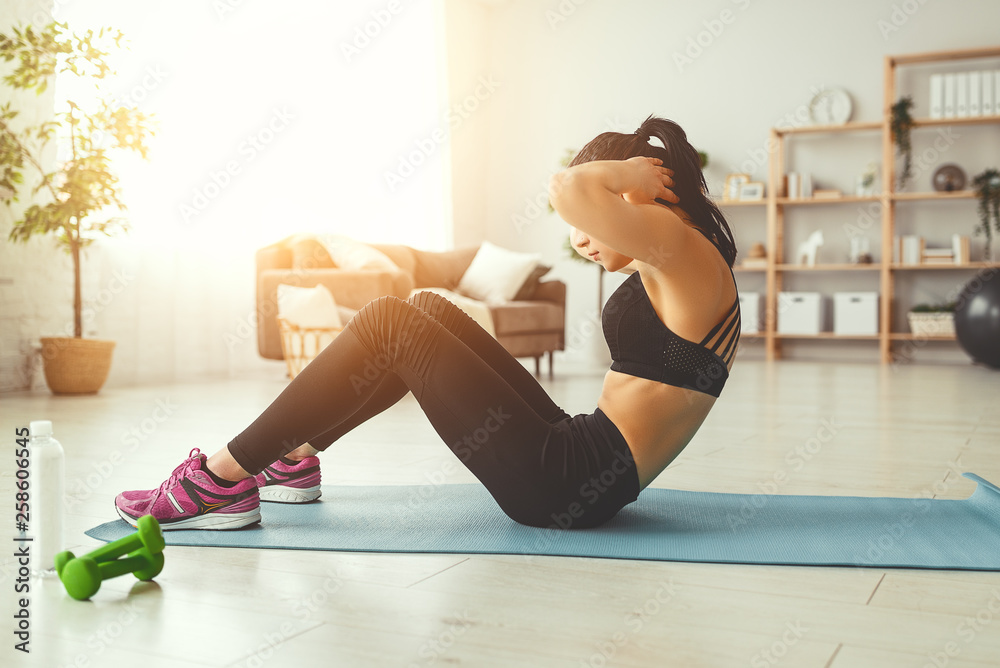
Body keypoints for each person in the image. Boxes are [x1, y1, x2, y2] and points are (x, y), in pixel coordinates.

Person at [115, 115, 740, 532]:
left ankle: (219, 478)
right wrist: (627, 183)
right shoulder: (684, 253)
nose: (580, 240)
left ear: (646, 195)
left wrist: (631, 174)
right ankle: (297, 454)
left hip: (565, 482)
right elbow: (577, 197)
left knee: (389, 321)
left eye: (594, 223)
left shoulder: (674, 241)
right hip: (583, 461)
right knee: (426, 309)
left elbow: (566, 187)